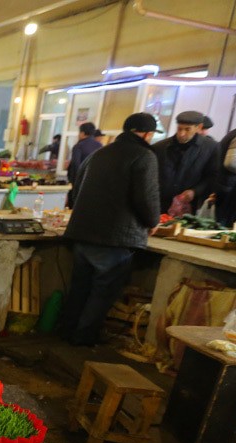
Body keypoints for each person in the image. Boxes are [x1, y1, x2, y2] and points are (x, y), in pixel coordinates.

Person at [59, 113, 160, 347]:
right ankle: (83, 339)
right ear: (147, 134)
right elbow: (146, 196)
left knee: (80, 288)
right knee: (102, 291)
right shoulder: (144, 156)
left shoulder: (99, 154)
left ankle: (66, 332)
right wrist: (152, 221)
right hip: (115, 237)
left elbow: (76, 191)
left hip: (83, 233)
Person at [151, 111, 219, 214]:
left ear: (199, 127)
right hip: (159, 204)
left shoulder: (211, 148)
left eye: (187, 129)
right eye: (179, 129)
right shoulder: (160, 147)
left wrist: (195, 191)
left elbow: (212, 176)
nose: (181, 134)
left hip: (188, 206)